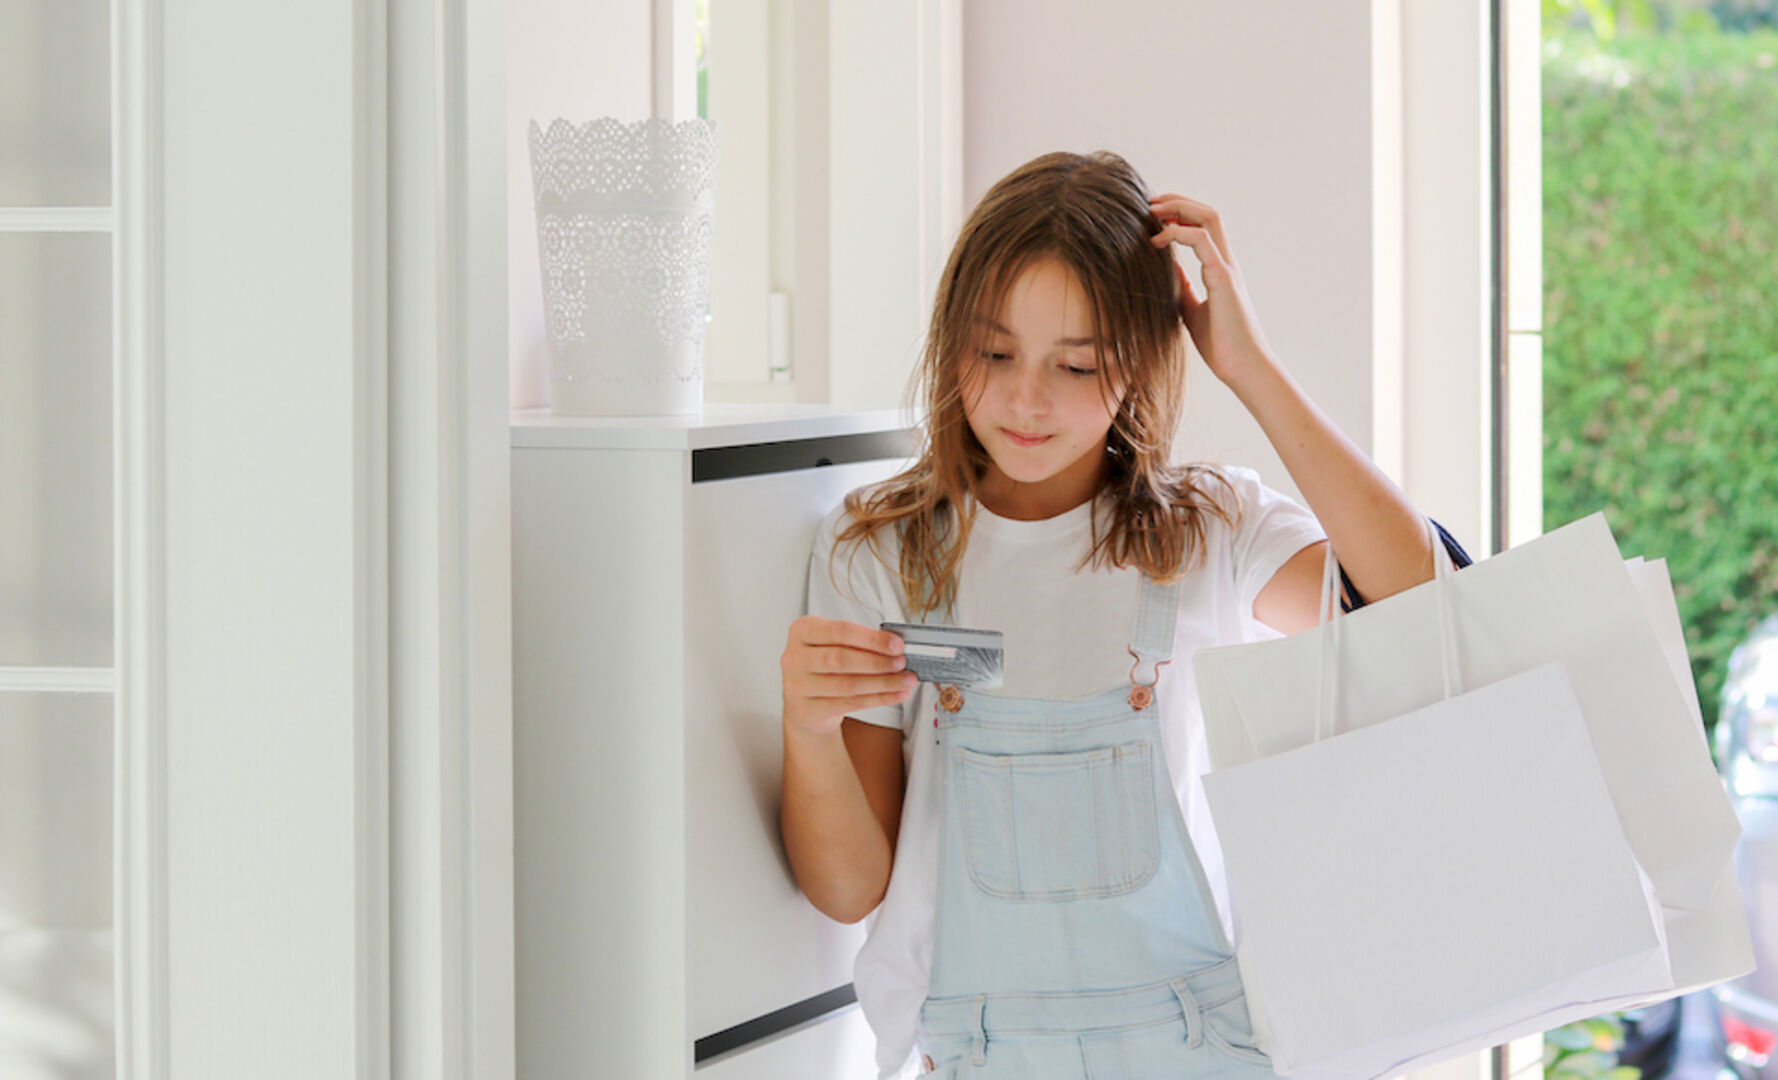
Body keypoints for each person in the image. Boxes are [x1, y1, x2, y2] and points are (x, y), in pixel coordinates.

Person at [778, 150, 1457, 1080]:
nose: (1026, 398)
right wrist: (808, 729)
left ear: (1138, 363)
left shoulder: (1210, 529)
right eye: (994, 352)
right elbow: (852, 890)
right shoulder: (880, 552)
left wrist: (1248, 367)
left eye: (1077, 364)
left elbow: (1424, 604)